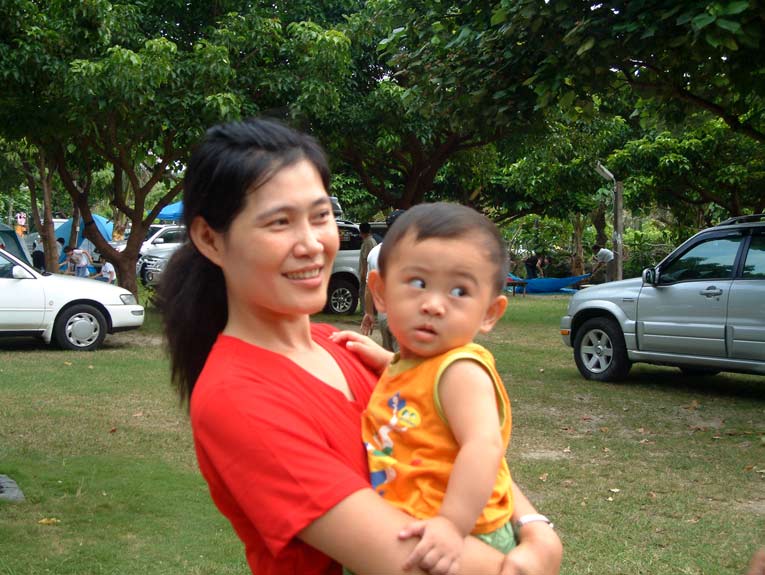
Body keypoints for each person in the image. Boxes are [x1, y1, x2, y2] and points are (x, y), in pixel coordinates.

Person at [157, 118, 562, 575]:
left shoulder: (346, 347)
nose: (311, 244)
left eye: (320, 216)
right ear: (210, 239)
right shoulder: (237, 398)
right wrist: (524, 564)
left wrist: (535, 528)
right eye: (279, 222)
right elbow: (408, 561)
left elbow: (460, 445)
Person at [334, 203, 527, 574]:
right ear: (380, 292)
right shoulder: (419, 363)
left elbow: (483, 446)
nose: (434, 305)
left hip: (464, 534)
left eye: (459, 290)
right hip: (415, 521)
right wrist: (386, 359)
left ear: (489, 313)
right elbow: (421, 388)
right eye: (418, 283)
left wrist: (452, 524)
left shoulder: (462, 371)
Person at [361, 209, 405, 352]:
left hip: (384, 316)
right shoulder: (410, 251)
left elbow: (369, 287)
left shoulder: (375, 252)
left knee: (388, 358)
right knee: (404, 361)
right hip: (403, 316)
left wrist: (369, 313)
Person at [357, 222, 377, 315]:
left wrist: (363, 273)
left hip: (368, 272)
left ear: (361, 232)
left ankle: (366, 311)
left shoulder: (368, 242)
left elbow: (366, 259)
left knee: (364, 291)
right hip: (372, 271)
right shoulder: (372, 241)